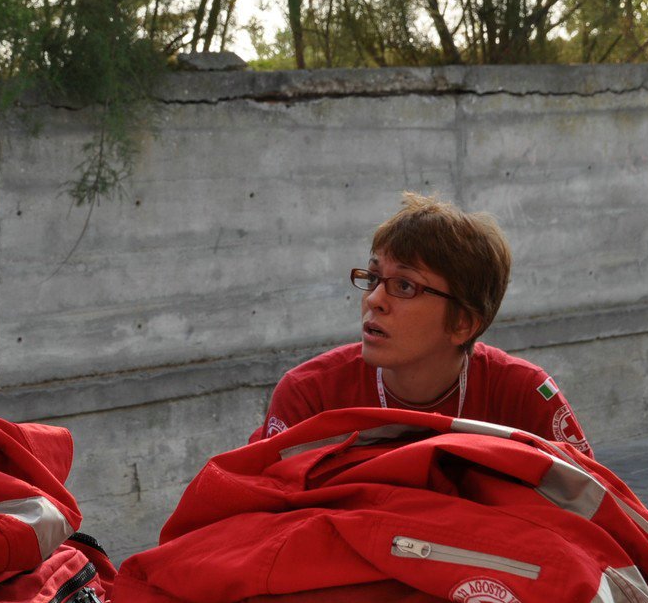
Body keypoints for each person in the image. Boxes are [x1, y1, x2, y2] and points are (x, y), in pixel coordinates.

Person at [253, 193, 590, 452]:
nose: (373, 300)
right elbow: (261, 516)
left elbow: (590, 519)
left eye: (404, 286)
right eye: (372, 278)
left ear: (463, 323)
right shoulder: (310, 395)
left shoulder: (525, 395)